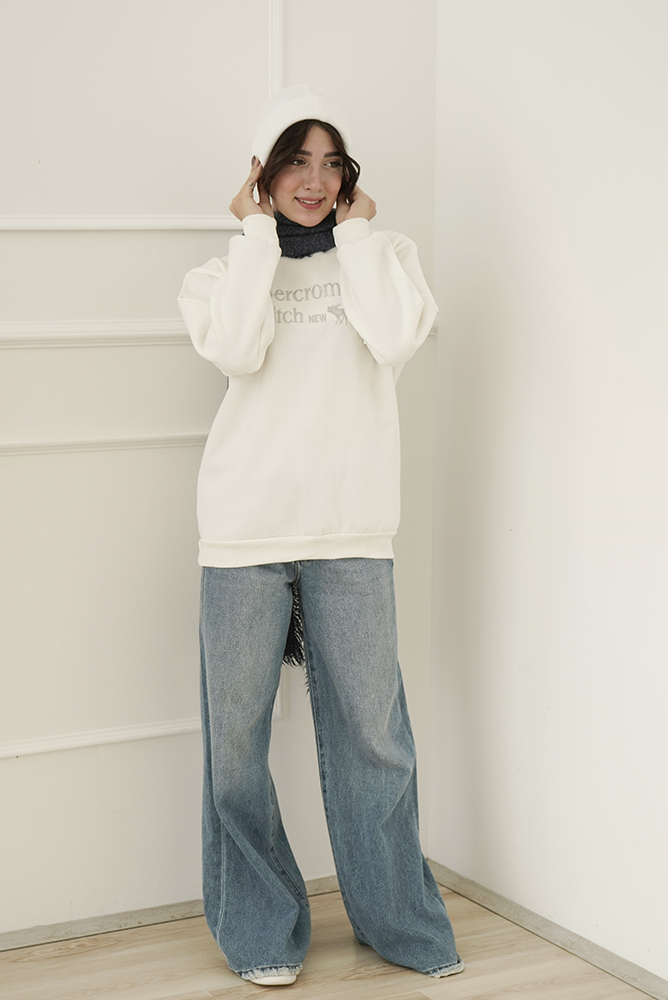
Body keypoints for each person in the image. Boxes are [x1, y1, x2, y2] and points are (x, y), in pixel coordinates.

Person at [177, 85, 463, 987]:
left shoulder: (385, 257)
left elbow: (396, 339)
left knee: (375, 740)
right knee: (235, 748)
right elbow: (236, 349)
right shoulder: (223, 273)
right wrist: (255, 236)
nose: (314, 179)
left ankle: (400, 924)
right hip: (244, 529)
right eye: (294, 160)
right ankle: (262, 932)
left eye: (330, 162)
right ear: (261, 173)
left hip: (353, 527)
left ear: (350, 176)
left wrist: (361, 237)